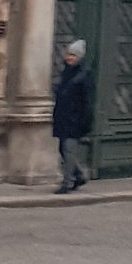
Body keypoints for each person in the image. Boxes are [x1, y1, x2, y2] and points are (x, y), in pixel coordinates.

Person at [51, 38, 93, 193]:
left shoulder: (84, 75)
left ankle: (67, 183)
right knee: (63, 149)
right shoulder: (66, 73)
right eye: (69, 54)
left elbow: (88, 101)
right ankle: (79, 175)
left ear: (79, 57)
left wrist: (84, 120)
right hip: (63, 117)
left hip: (75, 119)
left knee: (68, 150)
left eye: (73, 55)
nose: (70, 58)